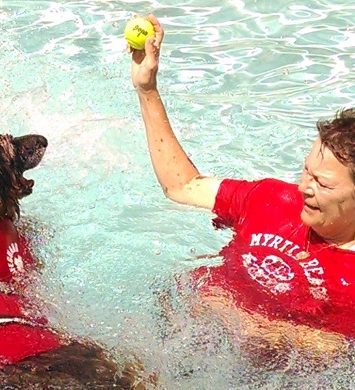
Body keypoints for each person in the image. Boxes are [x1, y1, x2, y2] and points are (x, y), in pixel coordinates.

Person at [129, 14, 355, 364]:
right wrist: (147, 90)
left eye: (322, 183)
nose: (303, 188)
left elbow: (335, 350)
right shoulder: (272, 198)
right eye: (306, 171)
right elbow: (182, 185)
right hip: (172, 340)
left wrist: (238, 318)